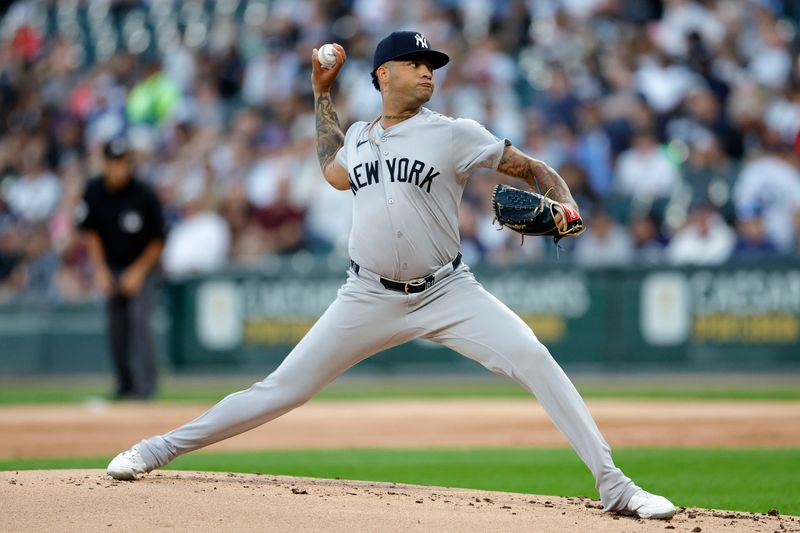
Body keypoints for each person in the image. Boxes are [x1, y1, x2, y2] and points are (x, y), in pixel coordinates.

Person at [107, 32, 676, 520]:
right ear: (383, 73)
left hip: (449, 291)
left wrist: (567, 206)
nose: (429, 73)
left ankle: (616, 487)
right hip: (366, 294)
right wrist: (320, 92)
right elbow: (332, 170)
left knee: (533, 356)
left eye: (433, 67)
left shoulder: (453, 132)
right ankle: (156, 449)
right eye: (417, 64)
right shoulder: (358, 136)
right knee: (281, 390)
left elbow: (534, 168)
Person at [77, 137, 166, 400]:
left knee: (139, 320)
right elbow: (90, 233)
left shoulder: (144, 193)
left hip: (144, 267)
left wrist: (137, 273)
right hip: (111, 266)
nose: (118, 168)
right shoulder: (93, 190)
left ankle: (146, 388)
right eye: (113, 163)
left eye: (122, 163)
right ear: (104, 163)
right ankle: (124, 386)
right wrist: (101, 270)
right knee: (116, 326)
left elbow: (158, 239)